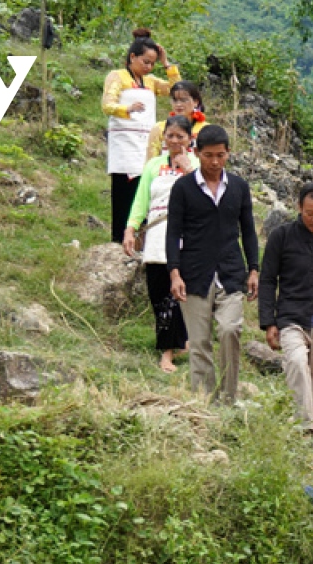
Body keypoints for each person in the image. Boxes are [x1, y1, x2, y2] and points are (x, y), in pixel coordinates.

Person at [166, 124, 258, 406]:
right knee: (200, 343)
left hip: (231, 273)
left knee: (231, 330)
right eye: (208, 156)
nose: (215, 162)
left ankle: (228, 397)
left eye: (220, 155)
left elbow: (249, 230)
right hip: (194, 273)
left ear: (228, 153)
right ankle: (204, 403)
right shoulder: (183, 188)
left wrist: (254, 268)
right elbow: (173, 232)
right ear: (197, 153)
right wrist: (174, 273)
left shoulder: (239, 187)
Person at [258, 182, 313, 432]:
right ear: (299, 207)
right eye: (310, 213)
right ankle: (305, 426)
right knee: (297, 363)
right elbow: (267, 279)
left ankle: (312, 434)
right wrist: (268, 322)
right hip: (291, 319)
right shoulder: (282, 236)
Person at [122, 115, 196, 373]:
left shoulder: (198, 165)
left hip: (187, 237)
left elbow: (208, 196)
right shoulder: (154, 165)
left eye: (180, 136)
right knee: (157, 291)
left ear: (189, 138)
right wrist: (131, 228)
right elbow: (141, 201)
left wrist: (190, 171)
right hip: (156, 234)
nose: (174, 141)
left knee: (175, 295)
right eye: (170, 136)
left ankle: (168, 352)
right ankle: (179, 341)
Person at [103, 28, 178, 244]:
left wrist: (167, 64)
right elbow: (107, 104)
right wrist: (126, 109)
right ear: (132, 57)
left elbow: (175, 89)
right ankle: (119, 238)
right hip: (124, 141)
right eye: (145, 61)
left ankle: (142, 239)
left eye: (152, 63)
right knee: (123, 191)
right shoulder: (117, 77)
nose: (148, 67)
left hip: (146, 141)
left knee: (144, 189)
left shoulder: (152, 81)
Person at [146, 80, 206, 160]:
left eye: (183, 100)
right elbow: (151, 161)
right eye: (175, 100)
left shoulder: (205, 129)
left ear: (195, 102)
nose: (178, 104)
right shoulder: (159, 128)